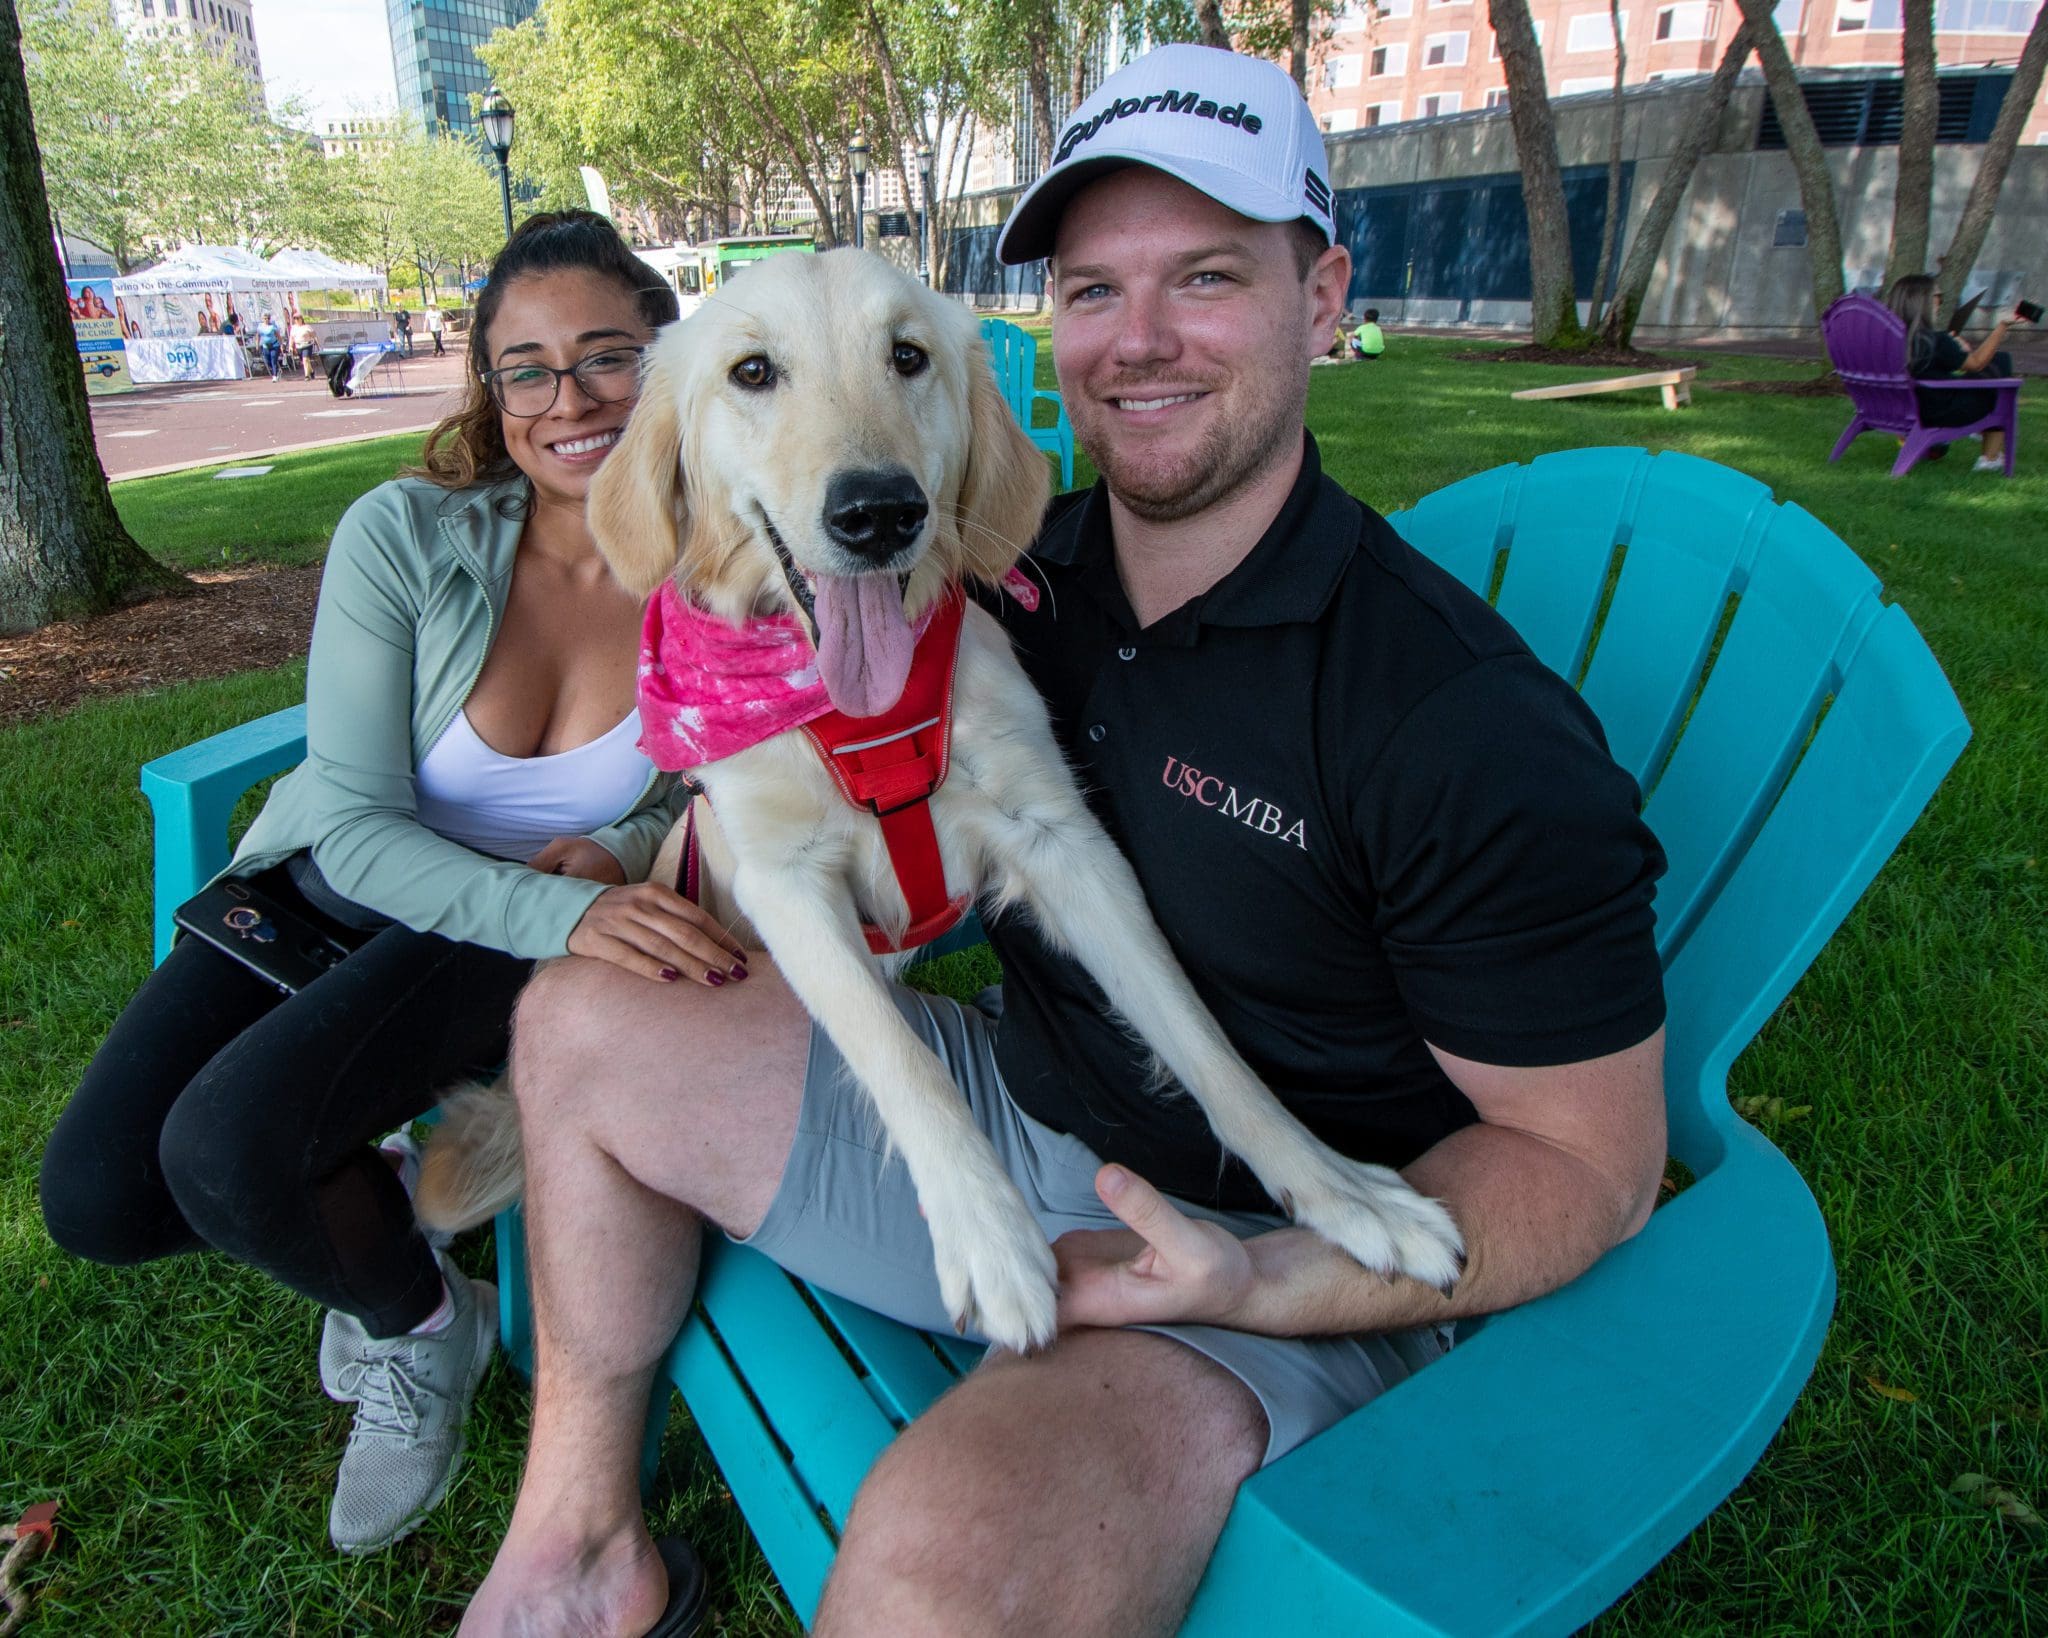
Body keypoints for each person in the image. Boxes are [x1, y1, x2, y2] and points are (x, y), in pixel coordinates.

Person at [459, 45, 1667, 1637]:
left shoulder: (1457, 721)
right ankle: (578, 1544)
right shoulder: (1006, 566)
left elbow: (1592, 1170)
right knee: (574, 1018)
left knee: (935, 1570)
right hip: (1019, 1109)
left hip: (1276, 1253)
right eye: (1096, 289)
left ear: (1323, 299)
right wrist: (646, 851)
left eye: (1207, 276)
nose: (1139, 337)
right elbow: (804, 729)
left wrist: (1271, 1274)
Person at [38, 212, 728, 1563]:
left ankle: (416, 1325)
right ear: (492, 387)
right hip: (344, 892)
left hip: (515, 930)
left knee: (227, 1147)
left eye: (607, 356)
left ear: (670, 362)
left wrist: (622, 848)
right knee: (102, 1196)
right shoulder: (406, 533)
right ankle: (384, 1208)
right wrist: (573, 907)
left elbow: (722, 779)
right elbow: (353, 829)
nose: (570, 400)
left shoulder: (723, 567)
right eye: (526, 369)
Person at [1884, 274, 2029, 473]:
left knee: (1995, 363)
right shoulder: (1935, 340)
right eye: (1938, 297)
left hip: (1903, 409)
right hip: (1941, 411)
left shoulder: (1891, 340)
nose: (1940, 302)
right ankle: (1990, 457)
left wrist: (1956, 350)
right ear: (1922, 301)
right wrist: (2002, 326)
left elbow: (1935, 367)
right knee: (2000, 362)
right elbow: (1976, 364)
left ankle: (1983, 441)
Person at [291, 315, 318, 379]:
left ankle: (307, 375)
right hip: (298, 346)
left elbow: (314, 336)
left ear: (301, 319)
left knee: (305, 359)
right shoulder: (293, 328)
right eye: (295, 319)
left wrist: (318, 344)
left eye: (298, 318)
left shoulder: (307, 327)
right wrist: (290, 346)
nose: (296, 320)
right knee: (305, 361)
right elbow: (291, 338)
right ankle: (311, 371)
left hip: (307, 345)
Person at [257, 311, 283, 380]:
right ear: (263, 319)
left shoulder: (272, 326)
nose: (267, 320)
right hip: (265, 346)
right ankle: (277, 370)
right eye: (265, 318)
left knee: (273, 360)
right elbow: (258, 336)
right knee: (267, 361)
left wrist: (281, 345)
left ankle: (274, 376)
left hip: (274, 345)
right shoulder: (260, 327)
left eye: (268, 318)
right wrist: (257, 345)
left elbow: (278, 336)